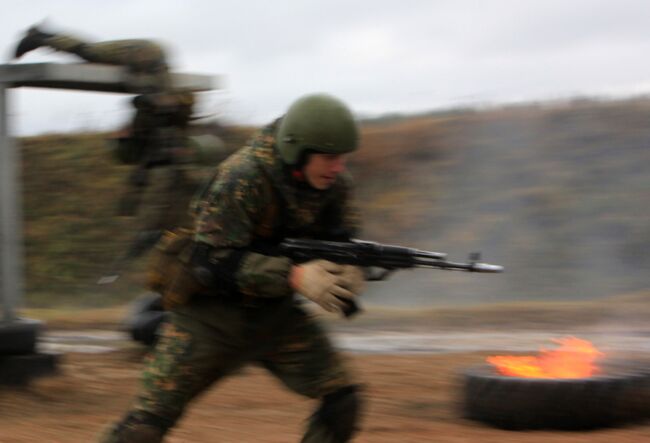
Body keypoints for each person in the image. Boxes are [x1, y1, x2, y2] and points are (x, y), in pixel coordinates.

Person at [99, 93, 368, 443]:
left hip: (274, 316)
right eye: (329, 157)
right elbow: (211, 262)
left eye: (343, 158)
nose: (338, 167)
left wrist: (349, 267)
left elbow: (340, 237)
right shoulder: (241, 178)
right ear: (297, 150)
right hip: (209, 318)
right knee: (143, 429)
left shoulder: (334, 185)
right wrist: (295, 276)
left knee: (343, 403)